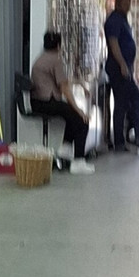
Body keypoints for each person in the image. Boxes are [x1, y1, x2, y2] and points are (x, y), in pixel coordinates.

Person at [30, 31, 95, 175]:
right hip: (47, 101)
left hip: (37, 102)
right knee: (82, 122)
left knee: (71, 116)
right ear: (59, 45)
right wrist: (80, 111)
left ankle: (66, 149)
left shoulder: (41, 59)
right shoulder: (56, 60)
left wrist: (80, 84)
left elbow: (63, 80)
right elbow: (65, 88)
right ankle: (78, 162)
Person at [105, 0, 139, 153]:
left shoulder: (123, 19)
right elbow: (113, 43)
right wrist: (122, 64)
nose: (128, 6)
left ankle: (122, 140)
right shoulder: (114, 20)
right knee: (134, 99)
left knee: (122, 103)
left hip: (124, 68)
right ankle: (137, 136)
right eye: (125, 3)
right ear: (118, 3)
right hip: (118, 68)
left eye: (129, 3)